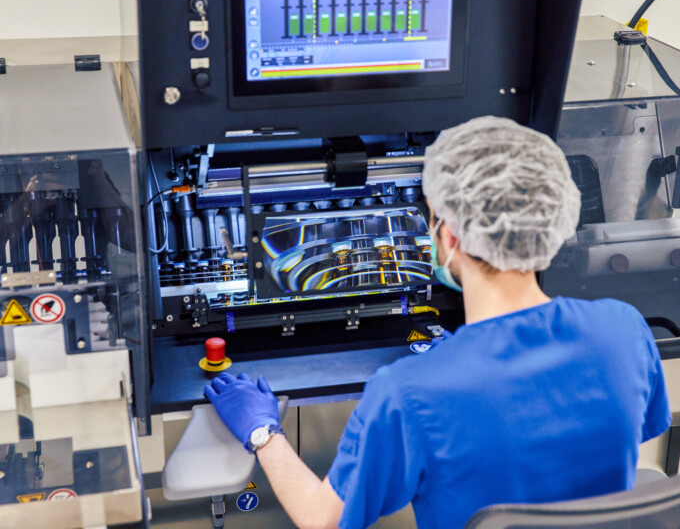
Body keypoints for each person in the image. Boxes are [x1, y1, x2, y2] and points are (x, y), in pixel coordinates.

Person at [204, 116, 672, 529]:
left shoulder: (409, 392)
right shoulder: (624, 331)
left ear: (447, 236)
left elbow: (321, 518)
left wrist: (263, 430)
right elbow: (632, 433)